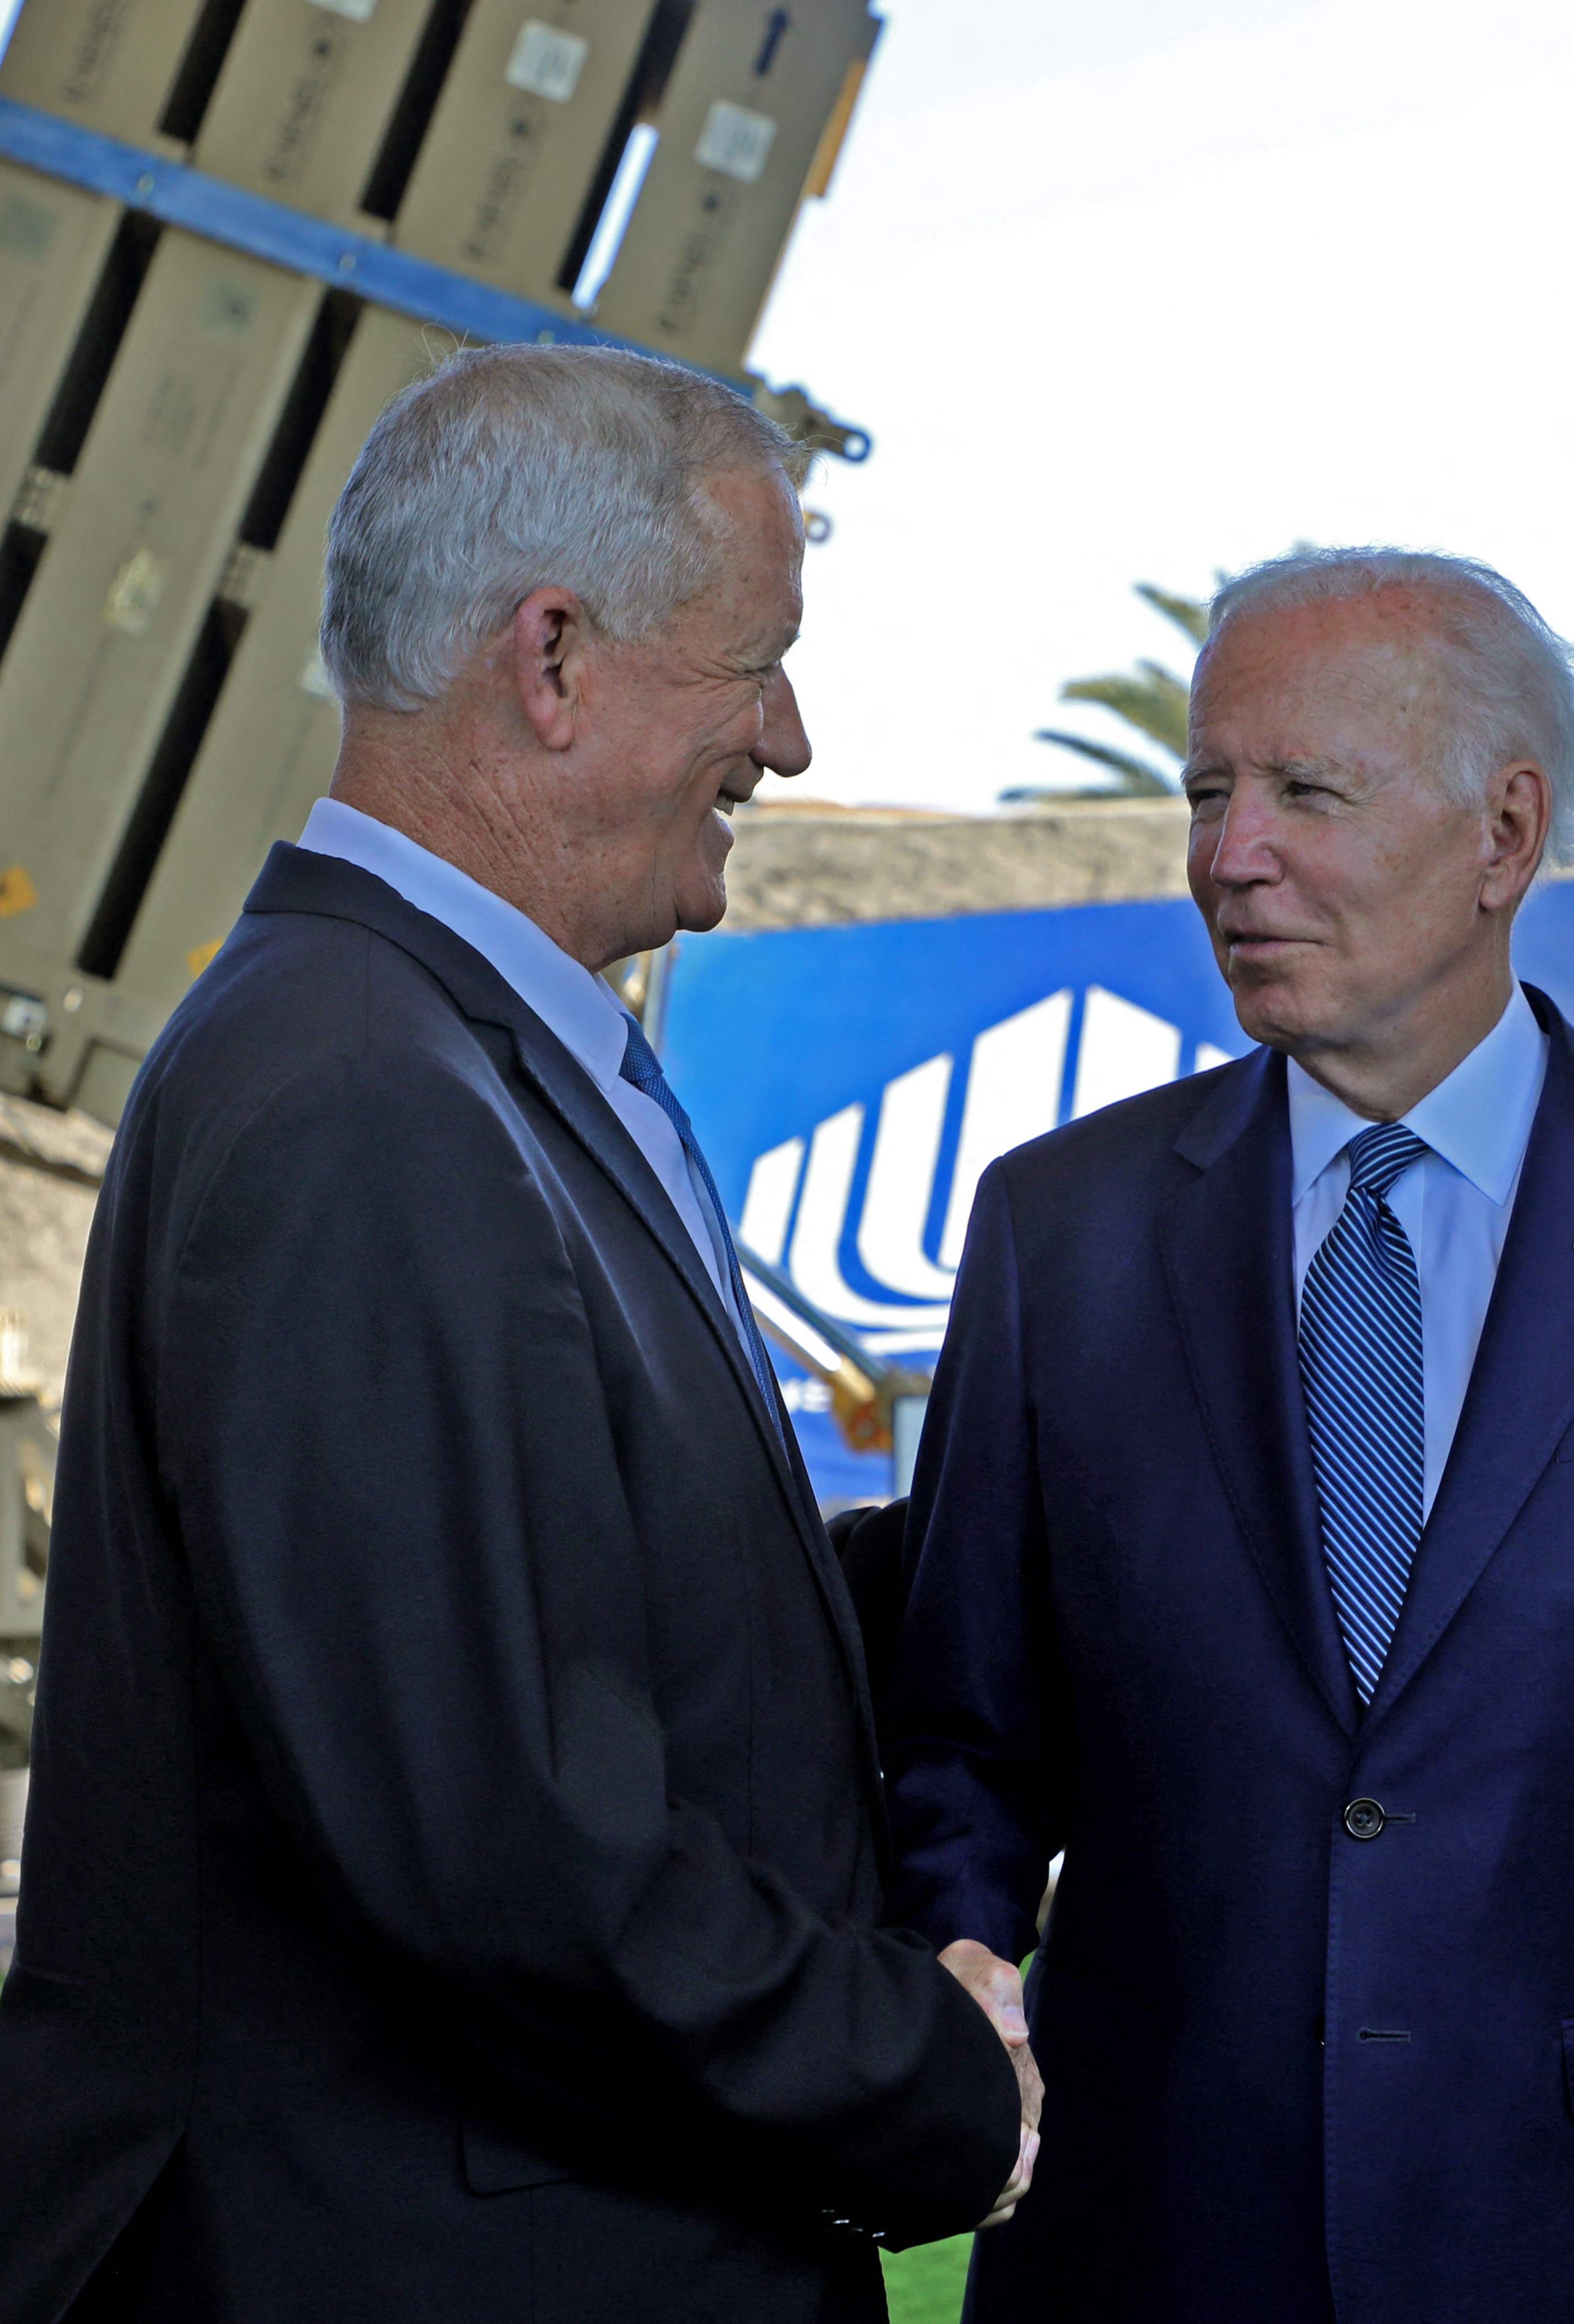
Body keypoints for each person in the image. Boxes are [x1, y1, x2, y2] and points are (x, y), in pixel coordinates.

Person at [0, 346, 1032, 2324]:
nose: (790, 737)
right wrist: (934, 2081)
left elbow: (593, 1629)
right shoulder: (369, 1100)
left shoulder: (437, 1049)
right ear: (551, 657)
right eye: (757, 659)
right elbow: (514, 1856)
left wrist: (1015, 1538)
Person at [884, 547, 1574, 2322]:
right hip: (1147, 2246)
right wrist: (953, 1984)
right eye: (1208, 793)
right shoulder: (1055, 1232)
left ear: (1503, 836)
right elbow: (964, 1744)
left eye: (1306, 791)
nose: (1231, 856)